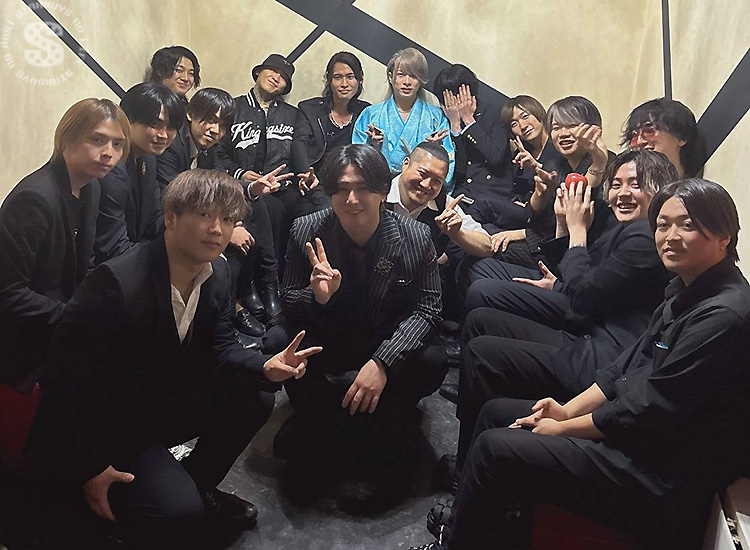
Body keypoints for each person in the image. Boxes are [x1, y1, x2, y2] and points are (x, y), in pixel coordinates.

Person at [411, 178, 750, 550]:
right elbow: (625, 366)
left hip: (659, 472)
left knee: (497, 446)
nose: (670, 236)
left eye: (687, 225)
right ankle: (468, 522)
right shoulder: (686, 288)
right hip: (640, 436)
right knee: (496, 413)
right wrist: (566, 410)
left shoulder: (724, 316)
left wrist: (566, 428)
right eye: (663, 225)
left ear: (724, 236)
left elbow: (651, 409)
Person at [29, 169, 322, 546]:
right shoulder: (115, 283)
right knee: (177, 513)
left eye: (228, 219)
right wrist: (90, 465)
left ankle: (196, 485)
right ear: (170, 218)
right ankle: (123, 503)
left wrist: (265, 366)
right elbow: (61, 381)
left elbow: (221, 348)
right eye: (205, 215)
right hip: (108, 422)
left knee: (255, 394)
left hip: (159, 400)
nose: (217, 229)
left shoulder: (217, 272)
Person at [436, 150, 677, 493]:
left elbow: (583, 293)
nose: (622, 193)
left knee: (483, 342)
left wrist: (576, 232)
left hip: (598, 347)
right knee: (481, 313)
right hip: (590, 323)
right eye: (616, 184)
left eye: (635, 185)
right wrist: (565, 238)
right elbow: (583, 280)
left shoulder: (645, 235)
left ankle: (466, 465)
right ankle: (471, 414)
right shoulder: (626, 226)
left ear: (660, 190)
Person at [270, 144, 447, 513]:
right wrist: (318, 297)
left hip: (383, 338)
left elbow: (428, 309)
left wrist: (383, 362)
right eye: (341, 189)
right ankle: (318, 422)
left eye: (363, 188)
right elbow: (287, 299)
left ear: (383, 191)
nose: (351, 200)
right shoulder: (307, 229)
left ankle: (385, 425)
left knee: (432, 359)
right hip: (329, 335)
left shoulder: (416, 237)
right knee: (279, 340)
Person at [0, 99, 129, 390]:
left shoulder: (91, 188)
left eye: (118, 144)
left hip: (58, 324)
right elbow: (8, 293)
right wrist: (76, 316)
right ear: (68, 138)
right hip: (22, 341)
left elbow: (85, 262)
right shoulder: (35, 198)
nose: (108, 153)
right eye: (98, 140)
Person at [459, 95, 614, 285]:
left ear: (593, 128)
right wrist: (540, 195)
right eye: (556, 128)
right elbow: (535, 213)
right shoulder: (556, 164)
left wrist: (522, 233)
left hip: (576, 259)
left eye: (572, 125)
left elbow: (578, 201)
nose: (563, 133)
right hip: (548, 241)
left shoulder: (608, 165)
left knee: (476, 263)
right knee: (481, 238)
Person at [155, 87, 266, 336]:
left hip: (198, 217)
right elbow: (173, 200)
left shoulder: (208, 150)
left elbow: (220, 190)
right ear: (191, 114)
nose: (215, 130)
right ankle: (228, 314)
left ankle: (249, 294)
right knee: (230, 250)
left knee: (254, 216)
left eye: (222, 125)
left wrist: (232, 222)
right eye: (210, 120)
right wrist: (225, 228)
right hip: (171, 223)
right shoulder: (173, 145)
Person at [95, 82, 184, 264]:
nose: (163, 135)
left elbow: (153, 220)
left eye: (170, 127)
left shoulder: (148, 159)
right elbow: (113, 247)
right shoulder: (111, 167)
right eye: (154, 124)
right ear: (127, 119)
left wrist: (189, 234)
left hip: (129, 254)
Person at [352, 48, 455, 192]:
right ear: (391, 77)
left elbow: (448, 163)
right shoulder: (371, 114)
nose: (407, 82)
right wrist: (373, 146)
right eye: (401, 74)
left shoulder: (436, 118)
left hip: (422, 190)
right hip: (380, 189)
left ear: (421, 80)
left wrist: (434, 150)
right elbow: (357, 159)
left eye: (413, 76)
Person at [386, 141, 491, 261]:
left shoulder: (444, 205)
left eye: (437, 181)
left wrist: (457, 233)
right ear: (406, 164)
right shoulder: (377, 189)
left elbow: (487, 247)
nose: (426, 185)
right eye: (422, 174)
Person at [433, 64, 513, 204]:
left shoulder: (495, 113)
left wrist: (469, 120)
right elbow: (460, 170)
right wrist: (455, 126)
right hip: (463, 195)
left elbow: (495, 157)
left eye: (456, 96)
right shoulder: (445, 120)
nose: (453, 104)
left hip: (494, 196)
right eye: (448, 100)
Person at [295, 51, 370, 178]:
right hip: (316, 180)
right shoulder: (309, 109)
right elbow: (299, 145)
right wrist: (307, 174)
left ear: (360, 78)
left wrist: (377, 141)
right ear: (329, 79)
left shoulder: (367, 112)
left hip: (352, 181)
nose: (344, 84)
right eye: (338, 77)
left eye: (350, 77)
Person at [623, 97, 706, 178]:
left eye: (649, 131)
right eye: (634, 135)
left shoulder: (697, 187)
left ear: (681, 137)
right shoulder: (623, 184)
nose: (639, 141)